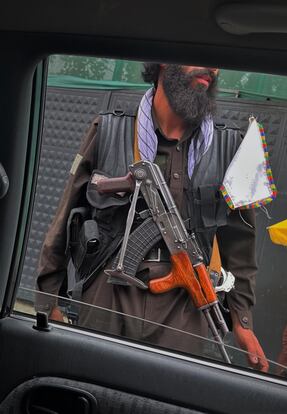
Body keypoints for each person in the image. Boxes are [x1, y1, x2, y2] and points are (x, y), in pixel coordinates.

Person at [35, 63, 269, 372]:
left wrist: (241, 320)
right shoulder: (108, 130)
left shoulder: (228, 148)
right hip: (108, 292)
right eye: (197, 54)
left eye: (216, 59)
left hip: (185, 308)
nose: (210, 67)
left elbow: (240, 244)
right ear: (162, 62)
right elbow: (63, 220)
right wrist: (48, 303)